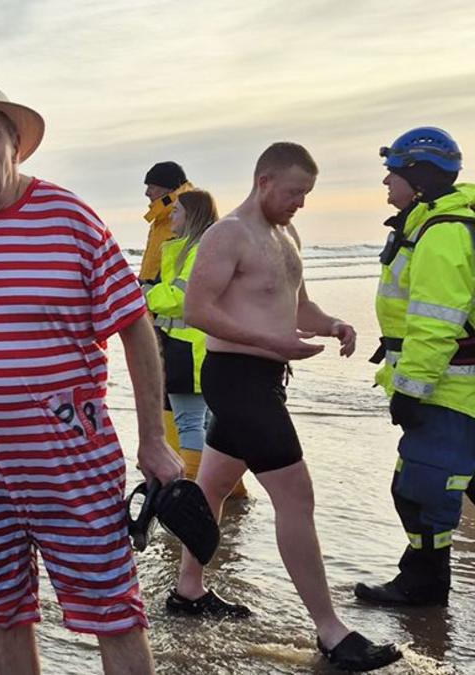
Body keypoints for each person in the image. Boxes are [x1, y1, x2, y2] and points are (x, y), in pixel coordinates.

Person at [0, 72, 182, 675]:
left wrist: (153, 437)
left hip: (71, 458)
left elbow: (134, 323)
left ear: (15, 146)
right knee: (2, 612)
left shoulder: (70, 219)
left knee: (113, 608)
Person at [172, 142, 401, 671]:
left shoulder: (286, 235)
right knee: (296, 496)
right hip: (236, 380)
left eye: (307, 194)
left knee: (212, 487)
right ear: (265, 180)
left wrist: (332, 324)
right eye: (295, 191)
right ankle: (330, 631)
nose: (301, 202)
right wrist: (272, 342)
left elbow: (297, 306)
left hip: (268, 378)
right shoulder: (227, 234)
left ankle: (187, 590)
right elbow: (196, 310)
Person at [355, 127, 475, 607]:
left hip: (449, 390)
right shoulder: (438, 223)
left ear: (419, 178)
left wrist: (411, 389)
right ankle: (425, 579)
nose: (386, 183)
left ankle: (423, 584)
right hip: (454, 388)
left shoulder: (443, 233)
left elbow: (435, 322)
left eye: (394, 174)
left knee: (421, 488)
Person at [144, 192, 246, 499]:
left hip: (188, 349)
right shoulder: (197, 248)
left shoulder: (198, 250)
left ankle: (192, 493)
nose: (172, 217)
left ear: (193, 215)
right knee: (203, 421)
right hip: (198, 347)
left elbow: (181, 297)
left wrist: (144, 295)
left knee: (190, 422)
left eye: (177, 211)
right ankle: (213, 489)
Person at [140, 162, 197, 461]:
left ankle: (177, 467)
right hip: (162, 314)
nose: (147, 192)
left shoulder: (179, 216)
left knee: (171, 393)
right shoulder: (164, 217)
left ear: (167, 186)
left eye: (151, 186)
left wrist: (145, 293)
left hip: (173, 320)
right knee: (178, 397)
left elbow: (179, 281)